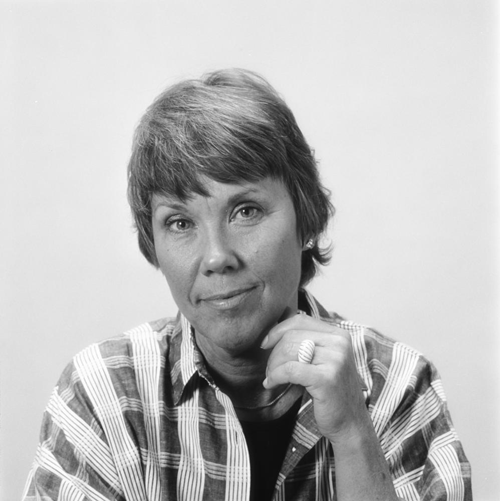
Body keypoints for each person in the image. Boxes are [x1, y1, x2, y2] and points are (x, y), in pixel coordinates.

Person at [23, 69, 471, 501]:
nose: (217, 257)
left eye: (246, 211)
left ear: (306, 218)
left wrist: (354, 434)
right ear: (152, 244)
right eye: (180, 222)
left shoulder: (399, 386)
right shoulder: (103, 396)